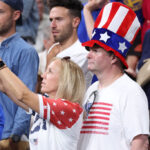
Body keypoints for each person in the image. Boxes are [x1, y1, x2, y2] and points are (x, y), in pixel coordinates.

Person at [77, 2, 149, 150]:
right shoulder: (91, 90)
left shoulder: (131, 92)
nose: (88, 55)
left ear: (113, 57)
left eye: (95, 51)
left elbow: (140, 144)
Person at [0, 57, 86, 150]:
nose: (43, 76)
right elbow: (7, 90)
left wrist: (1, 64)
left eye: (50, 71)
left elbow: (22, 95)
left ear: (65, 79)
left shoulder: (69, 109)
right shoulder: (46, 107)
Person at [0, 0, 39, 150]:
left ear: (16, 15)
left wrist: (14, 137)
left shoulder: (26, 51)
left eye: (0, 12)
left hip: (7, 136)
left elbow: (27, 98)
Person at [46, 0, 93, 89]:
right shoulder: (53, 48)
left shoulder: (82, 55)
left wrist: (51, 56)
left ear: (75, 22)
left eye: (58, 19)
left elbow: (55, 89)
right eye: (51, 20)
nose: (53, 25)